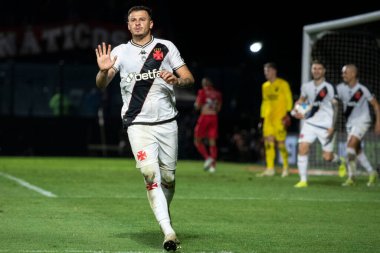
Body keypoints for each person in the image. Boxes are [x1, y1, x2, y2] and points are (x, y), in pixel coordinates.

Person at [94, 5, 194, 251]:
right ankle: (168, 231)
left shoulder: (166, 47)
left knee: (168, 178)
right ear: (128, 26)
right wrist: (103, 70)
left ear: (151, 23)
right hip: (137, 124)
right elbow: (101, 85)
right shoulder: (120, 51)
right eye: (132, 20)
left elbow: (189, 78)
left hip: (167, 123)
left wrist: (177, 80)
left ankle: (164, 212)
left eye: (142, 19)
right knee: (150, 174)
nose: (137, 23)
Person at [292, 60, 346, 188]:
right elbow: (302, 100)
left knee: (327, 157)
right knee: (302, 148)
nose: (316, 71)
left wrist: (333, 126)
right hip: (309, 123)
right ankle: (303, 180)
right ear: (311, 70)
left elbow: (336, 107)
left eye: (319, 69)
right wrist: (297, 110)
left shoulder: (329, 87)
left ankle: (340, 161)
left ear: (324, 71)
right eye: (314, 68)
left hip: (326, 126)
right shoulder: (306, 86)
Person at [336, 64, 380, 186]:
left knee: (350, 146)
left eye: (345, 72)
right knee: (357, 150)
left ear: (353, 74)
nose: (343, 75)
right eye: (342, 73)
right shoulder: (340, 88)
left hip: (363, 120)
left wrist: (378, 122)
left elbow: (376, 105)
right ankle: (371, 172)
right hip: (350, 123)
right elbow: (330, 98)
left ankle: (351, 177)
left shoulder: (363, 88)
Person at [257, 62, 293, 177]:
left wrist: (287, 114)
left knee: (281, 143)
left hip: (280, 118)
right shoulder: (265, 86)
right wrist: (262, 118)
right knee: (268, 142)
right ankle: (270, 168)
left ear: (274, 71)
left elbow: (289, 99)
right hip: (268, 119)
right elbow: (264, 102)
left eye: (267, 71)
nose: (265, 73)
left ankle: (286, 167)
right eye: (265, 71)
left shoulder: (283, 84)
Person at [193, 77, 222, 173]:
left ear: (204, 84)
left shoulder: (202, 92)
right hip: (214, 118)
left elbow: (198, 106)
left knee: (197, 140)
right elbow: (218, 108)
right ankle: (213, 166)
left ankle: (207, 158)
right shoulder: (217, 94)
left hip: (205, 117)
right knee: (212, 142)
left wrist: (196, 105)